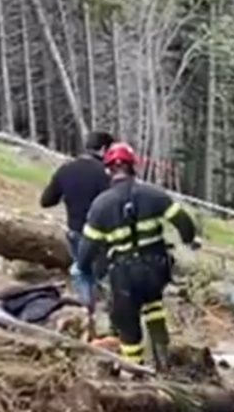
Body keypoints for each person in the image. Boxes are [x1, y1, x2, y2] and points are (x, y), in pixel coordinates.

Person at [77, 142, 198, 367]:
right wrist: (189, 242)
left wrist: (83, 269)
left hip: (124, 274)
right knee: (153, 304)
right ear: (135, 167)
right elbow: (185, 224)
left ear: (109, 170)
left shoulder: (101, 205)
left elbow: (86, 251)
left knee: (128, 325)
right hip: (156, 269)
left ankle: (134, 372)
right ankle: (163, 357)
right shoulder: (154, 195)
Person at [40, 130, 113, 324]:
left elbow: (46, 201)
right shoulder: (105, 174)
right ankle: (112, 319)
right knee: (106, 277)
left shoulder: (66, 169)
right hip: (101, 235)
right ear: (104, 149)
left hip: (76, 232)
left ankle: (86, 315)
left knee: (82, 272)